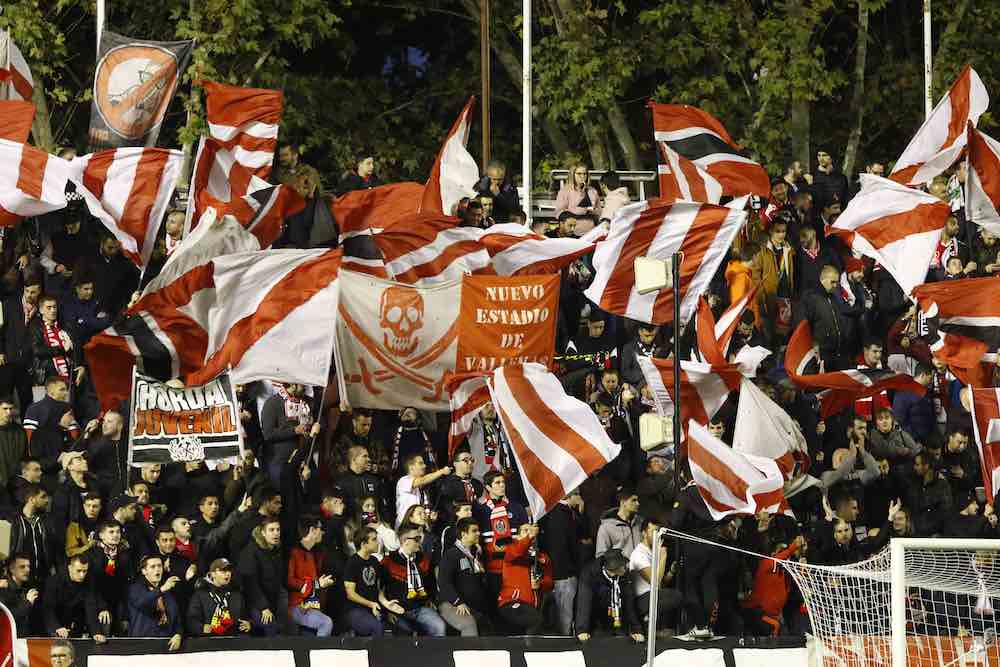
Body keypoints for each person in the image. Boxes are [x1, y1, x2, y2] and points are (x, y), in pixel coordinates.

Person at [380, 523, 446, 636]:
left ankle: (435, 654)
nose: (420, 542)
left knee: (440, 627)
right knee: (406, 633)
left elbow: (431, 584)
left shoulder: (423, 559)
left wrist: (430, 600)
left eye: (420, 538)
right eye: (417, 539)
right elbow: (380, 589)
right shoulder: (388, 561)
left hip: (420, 609)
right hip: (398, 610)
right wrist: (387, 612)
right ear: (405, 541)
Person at [474, 471, 528, 598]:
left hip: (515, 566)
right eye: (497, 483)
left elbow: (525, 536)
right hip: (492, 569)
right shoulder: (480, 511)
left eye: (503, 482)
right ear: (488, 487)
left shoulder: (516, 508)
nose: (502, 485)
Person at [540, 490, 588, 636]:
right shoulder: (559, 514)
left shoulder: (566, 512)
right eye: (579, 495)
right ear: (570, 496)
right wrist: (567, 571)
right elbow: (559, 546)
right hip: (564, 572)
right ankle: (564, 641)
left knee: (567, 609)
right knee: (564, 611)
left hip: (565, 570)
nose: (581, 498)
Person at [575, 548, 643, 643]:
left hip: (618, 620)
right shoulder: (590, 574)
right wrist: (582, 630)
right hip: (596, 621)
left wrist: (637, 629)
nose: (625, 567)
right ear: (613, 569)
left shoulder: (624, 575)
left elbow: (629, 601)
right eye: (622, 566)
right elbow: (584, 602)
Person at [437, 517, 490, 636]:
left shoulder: (475, 554)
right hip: (451, 603)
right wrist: (458, 602)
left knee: (487, 625)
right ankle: (468, 654)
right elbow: (444, 582)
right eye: (474, 531)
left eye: (478, 530)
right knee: (468, 624)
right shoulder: (451, 554)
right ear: (463, 534)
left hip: (471, 604)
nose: (478, 533)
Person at [496, 523, 552, 634]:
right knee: (536, 620)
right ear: (518, 536)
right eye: (525, 530)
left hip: (533, 606)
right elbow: (518, 550)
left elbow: (549, 582)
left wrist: (539, 584)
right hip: (512, 602)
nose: (529, 533)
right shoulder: (512, 550)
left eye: (531, 530)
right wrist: (529, 537)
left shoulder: (542, 558)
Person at [42, 555, 110, 642]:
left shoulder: (88, 581)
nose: (82, 575)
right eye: (78, 571)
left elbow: (90, 606)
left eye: (84, 571)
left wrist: (96, 632)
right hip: (56, 620)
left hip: (76, 619)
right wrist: (57, 627)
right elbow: (48, 609)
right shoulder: (54, 582)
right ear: (70, 568)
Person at [628, 518, 681, 630]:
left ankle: (661, 628)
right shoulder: (639, 554)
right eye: (654, 531)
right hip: (642, 599)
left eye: (659, 532)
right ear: (644, 533)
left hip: (654, 594)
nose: (658, 535)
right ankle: (649, 625)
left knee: (676, 594)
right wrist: (662, 556)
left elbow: (662, 582)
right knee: (676, 596)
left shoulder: (653, 551)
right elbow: (655, 581)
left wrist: (671, 571)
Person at [287, 517, 336, 637]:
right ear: (312, 530)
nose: (323, 532)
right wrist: (317, 584)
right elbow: (289, 580)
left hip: (316, 605)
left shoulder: (320, 553)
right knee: (326, 623)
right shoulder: (293, 553)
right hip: (298, 606)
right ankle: (320, 655)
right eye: (320, 529)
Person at [238, 517, 287, 635]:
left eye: (278, 529)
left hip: (272, 600)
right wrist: (263, 607)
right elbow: (250, 583)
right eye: (271, 530)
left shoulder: (276, 550)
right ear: (263, 533)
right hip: (253, 602)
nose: (276, 533)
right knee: (270, 625)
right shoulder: (251, 551)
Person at [127, 554, 183, 651]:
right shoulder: (135, 588)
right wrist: (161, 590)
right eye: (153, 567)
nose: (157, 569)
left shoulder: (168, 592)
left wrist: (178, 634)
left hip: (166, 644)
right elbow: (142, 602)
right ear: (144, 571)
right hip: (142, 644)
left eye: (159, 566)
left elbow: (177, 618)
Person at [343, 526, 391, 636]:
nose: (378, 543)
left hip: (372, 607)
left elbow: (377, 589)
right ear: (363, 544)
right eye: (374, 540)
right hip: (355, 609)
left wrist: (386, 603)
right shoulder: (352, 562)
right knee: (377, 627)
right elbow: (350, 594)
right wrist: (371, 604)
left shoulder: (374, 561)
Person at [187, 558, 252, 636]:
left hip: (233, 641)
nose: (228, 574)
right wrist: (201, 627)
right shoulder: (200, 595)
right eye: (223, 571)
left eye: (229, 571)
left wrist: (249, 624)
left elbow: (246, 617)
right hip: (208, 641)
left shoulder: (237, 595)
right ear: (213, 574)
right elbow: (191, 620)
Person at [395, 453, 450, 526]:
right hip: (406, 528)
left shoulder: (423, 491)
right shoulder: (403, 481)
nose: (425, 466)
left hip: (421, 529)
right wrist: (442, 471)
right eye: (420, 463)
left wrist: (430, 518)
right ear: (411, 467)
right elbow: (423, 480)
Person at [596, 487, 642, 558]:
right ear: (623, 502)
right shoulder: (606, 527)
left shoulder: (640, 522)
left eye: (637, 500)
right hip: (621, 568)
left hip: (642, 568)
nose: (637, 503)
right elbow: (601, 555)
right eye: (633, 500)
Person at [0, 553, 39, 635]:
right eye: (22, 567)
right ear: (12, 569)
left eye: (28, 566)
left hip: (27, 638)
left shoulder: (29, 587)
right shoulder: (4, 589)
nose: (27, 570)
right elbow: (8, 617)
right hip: (10, 639)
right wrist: (28, 603)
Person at [473, 160, 520, 225]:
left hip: (504, 223)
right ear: (488, 176)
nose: (497, 182)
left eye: (500, 179)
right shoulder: (481, 186)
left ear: (504, 176)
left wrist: (498, 195)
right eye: (494, 179)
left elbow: (515, 210)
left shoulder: (510, 188)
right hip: (484, 224)